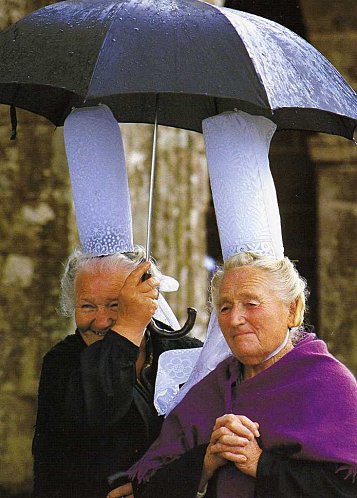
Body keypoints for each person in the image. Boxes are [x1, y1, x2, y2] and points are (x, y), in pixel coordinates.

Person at [110, 251, 357, 498]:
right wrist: (206, 461)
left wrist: (259, 463)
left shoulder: (327, 383)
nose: (235, 319)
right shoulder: (215, 384)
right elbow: (158, 473)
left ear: (292, 310)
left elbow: (345, 488)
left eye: (251, 304)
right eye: (225, 307)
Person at [31, 246, 202, 498]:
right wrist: (128, 328)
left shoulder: (185, 354)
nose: (101, 321)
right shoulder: (61, 363)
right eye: (88, 307)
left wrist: (157, 487)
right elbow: (99, 411)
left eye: (115, 305)